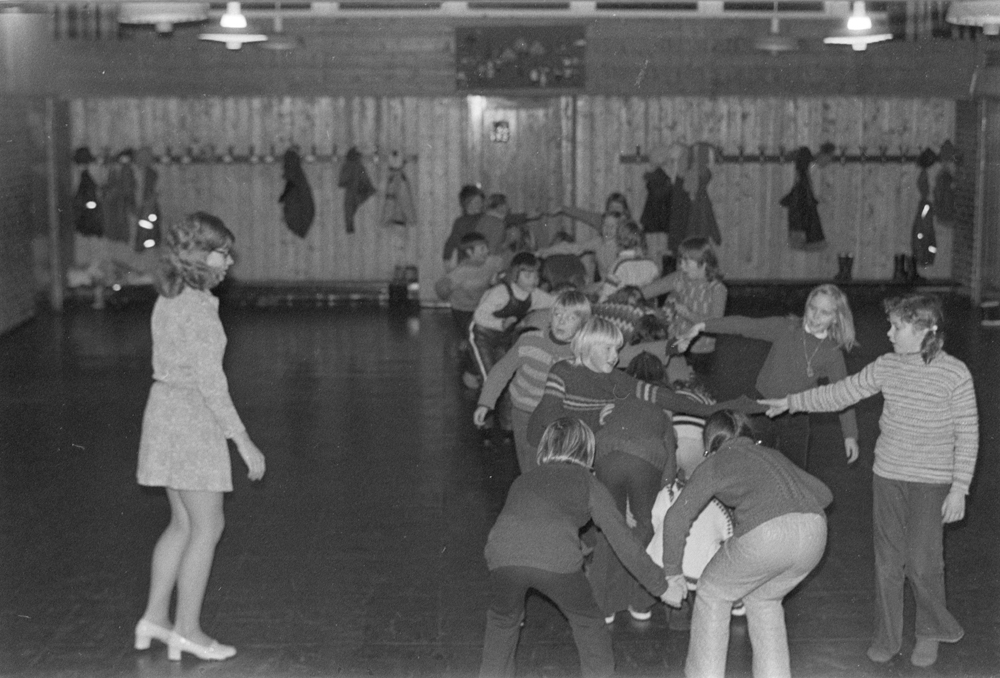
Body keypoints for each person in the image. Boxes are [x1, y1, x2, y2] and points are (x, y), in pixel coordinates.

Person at [761, 294, 979, 668]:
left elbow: (969, 432)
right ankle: (887, 636)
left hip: (931, 480)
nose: (889, 333)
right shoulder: (886, 366)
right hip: (888, 475)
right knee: (887, 562)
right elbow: (841, 392)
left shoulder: (955, 374)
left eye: (897, 327)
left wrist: (960, 487)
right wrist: (794, 401)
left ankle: (930, 631)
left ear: (926, 330)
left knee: (923, 562)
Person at [134, 212, 266, 662]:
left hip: (164, 414)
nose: (229, 261)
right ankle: (186, 630)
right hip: (191, 421)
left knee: (182, 524)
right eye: (221, 252)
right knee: (208, 527)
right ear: (196, 255)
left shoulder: (171, 297)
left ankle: (154, 617)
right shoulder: (199, 312)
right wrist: (243, 441)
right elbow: (212, 386)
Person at [479, 418, 671, 678]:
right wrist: (660, 585)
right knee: (589, 624)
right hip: (555, 560)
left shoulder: (524, 479)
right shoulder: (588, 482)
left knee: (502, 623)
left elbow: (527, 524)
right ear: (587, 452)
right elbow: (623, 542)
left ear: (545, 448)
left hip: (502, 555)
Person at [660, 410, 832, 678]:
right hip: (815, 533)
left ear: (710, 444)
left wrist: (672, 572)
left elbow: (676, 516)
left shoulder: (716, 462)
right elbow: (825, 494)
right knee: (764, 598)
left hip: (766, 535)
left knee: (712, 592)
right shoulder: (774, 455)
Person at [680, 283, 859, 470]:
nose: (815, 316)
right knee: (752, 465)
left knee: (794, 471)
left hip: (796, 415)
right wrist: (703, 326)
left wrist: (850, 435)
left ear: (836, 318)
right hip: (761, 408)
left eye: (824, 312)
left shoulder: (832, 352)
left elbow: (842, 394)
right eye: (812, 308)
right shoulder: (785, 328)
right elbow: (745, 325)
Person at [527, 317, 764, 451]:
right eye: (608, 349)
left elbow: (668, 398)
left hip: (577, 445)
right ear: (588, 347)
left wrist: (731, 407)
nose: (615, 356)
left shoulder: (616, 379)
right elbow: (551, 421)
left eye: (617, 349)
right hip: (542, 443)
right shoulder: (562, 372)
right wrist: (596, 425)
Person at [588, 352, 677, 624]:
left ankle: (604, 606)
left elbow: (600, 430)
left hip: (607, 454)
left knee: (611, 529)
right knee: (644, 527)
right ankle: (639, 602)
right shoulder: (663, 400)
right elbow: (668, 455)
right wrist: (666, 489)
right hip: (644, 459)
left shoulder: (619, 394)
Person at [474, 289, 592, 473]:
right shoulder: (529, 341)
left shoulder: (582, 351)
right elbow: (501, 371)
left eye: (570, 318)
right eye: (558, 314)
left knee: (560, 462)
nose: (561, 321)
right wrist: (486, 402)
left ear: (582, 325)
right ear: (549, 316)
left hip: (561, 416)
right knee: (529, 463)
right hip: (525, 412)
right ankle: (532, 494)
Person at [641, 236, 727, 376]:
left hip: (701, 352)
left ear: (703, 263)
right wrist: (628, 293)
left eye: (687, 262)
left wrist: (688, 314)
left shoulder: (717, 289)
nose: (682, 266)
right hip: (675, 345)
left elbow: (715, 324)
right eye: (680, 261)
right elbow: (647, 291)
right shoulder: (679, 277)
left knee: (697, 390)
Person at [470, 252, 556, 383]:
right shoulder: (501, 292)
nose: (534, 280)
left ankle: (471, 368)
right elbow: (479, 315)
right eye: (528, 275)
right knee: (491, 381)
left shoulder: (534, 295)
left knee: (505, 375)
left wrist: (583, 302)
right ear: (515, 275)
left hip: (503, 339)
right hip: (481, 335)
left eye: (536, 275)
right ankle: (472, 363)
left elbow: (555, 301)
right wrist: (501, 323)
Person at [434, 232, 505, 388]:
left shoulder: (491, 262)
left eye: (486, 247)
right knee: (476, 339)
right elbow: (441, 287)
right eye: (481, 248)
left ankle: (477, 367)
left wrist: (498, 279)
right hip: (463, 310)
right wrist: (445, 290)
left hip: (482, 307)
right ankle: (471, 373)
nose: (486, 251)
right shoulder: (460, 273)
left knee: (485, 338)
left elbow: (505, 264)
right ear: (469, 252)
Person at [598, 221, 661, 302]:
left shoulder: (618, 265)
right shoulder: (652, 264)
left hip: (626, 312)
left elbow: (606, 295)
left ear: (618, 240)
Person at [442, 184, 485, 270]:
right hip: (466, 264)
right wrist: (446, 260)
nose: (480, 205)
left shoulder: (485, 218)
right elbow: (451, 242)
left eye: (481, 202)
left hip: (483, 262)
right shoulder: (460, 222)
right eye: (476, 202)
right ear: (466, 203)